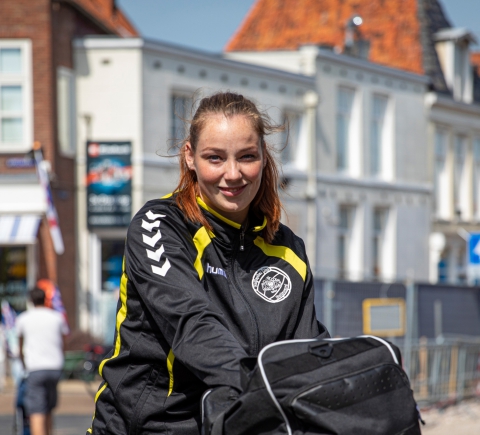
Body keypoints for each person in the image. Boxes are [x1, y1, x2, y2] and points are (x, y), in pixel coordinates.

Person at [89, 91, 328, 435]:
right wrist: (261, 388)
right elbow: (193, 325)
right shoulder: (158, 225)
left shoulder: (289, 249)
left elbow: (305, 352)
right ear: (190, 156)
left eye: (247, 156)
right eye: (215, 158)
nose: (233, 174)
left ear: (264, 155)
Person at [16, 286, 69, 435]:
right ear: (46, 299)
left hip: (35, 368)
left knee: (36, 411)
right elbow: (63, 342)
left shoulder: (24, 318)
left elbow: (20, 346)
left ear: (30, 300)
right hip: (55, 367)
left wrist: (24, 364)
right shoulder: (57, 317)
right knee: (48, 409)